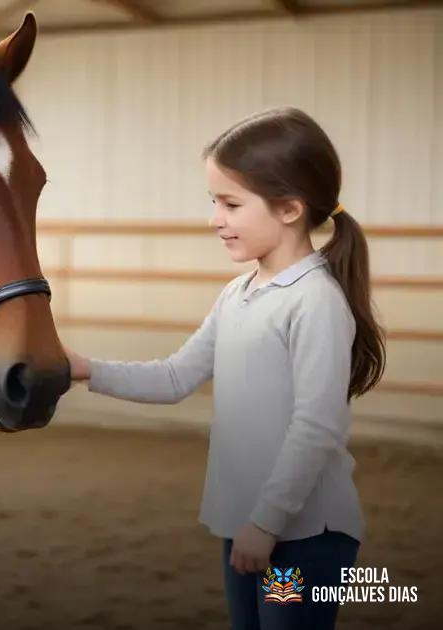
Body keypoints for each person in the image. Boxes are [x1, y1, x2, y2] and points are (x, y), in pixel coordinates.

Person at [67, 108, 386, 630]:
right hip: (247, 525)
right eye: (214, 201)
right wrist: (84, 368)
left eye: (231, 204)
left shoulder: (315, 302)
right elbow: (175, 378)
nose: (215, 218)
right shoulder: (237, 293)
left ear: (289, 209)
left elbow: (317, 426)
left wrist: (266, 522)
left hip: (303, 538)